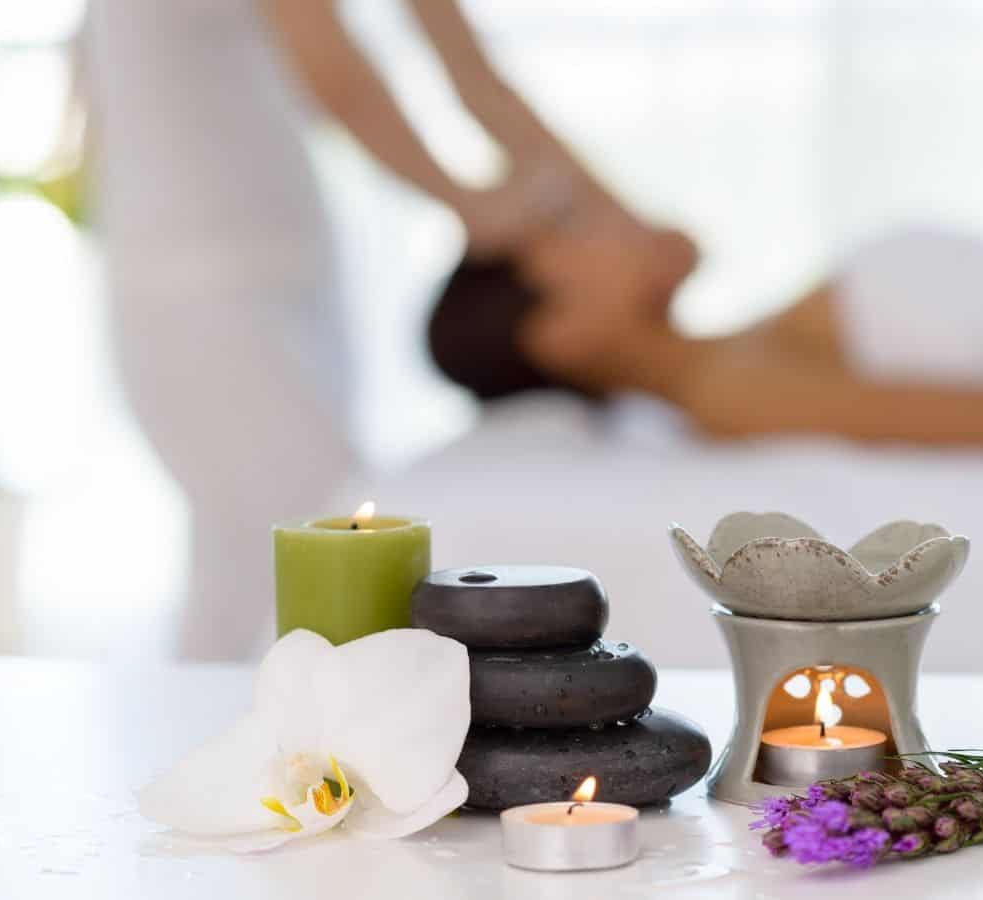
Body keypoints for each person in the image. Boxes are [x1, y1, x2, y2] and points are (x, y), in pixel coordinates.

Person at [84, 0, 688, 658]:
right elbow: (336, 74)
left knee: (245, 564)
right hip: (198, 276)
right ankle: (278, 750)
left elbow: (480, 85)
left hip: (293, 266)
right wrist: (473, 206)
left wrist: (636, 234)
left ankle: (231, 749)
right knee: (316, 557)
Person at [432, 223, 983, 448]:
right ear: (564, 335)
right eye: (569, 232)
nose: (608, 219)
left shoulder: (749, 348)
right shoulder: (729, 393)